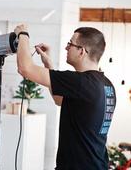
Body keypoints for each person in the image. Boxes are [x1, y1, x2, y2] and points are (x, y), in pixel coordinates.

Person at [15, 24, 116, 170]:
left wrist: (23, 34)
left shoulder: (81, 82)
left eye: (70, 44)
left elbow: (25, 68)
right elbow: (59, 100)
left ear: (81, 51)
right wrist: (48, 65)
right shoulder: (106, 85)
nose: (66, 48)